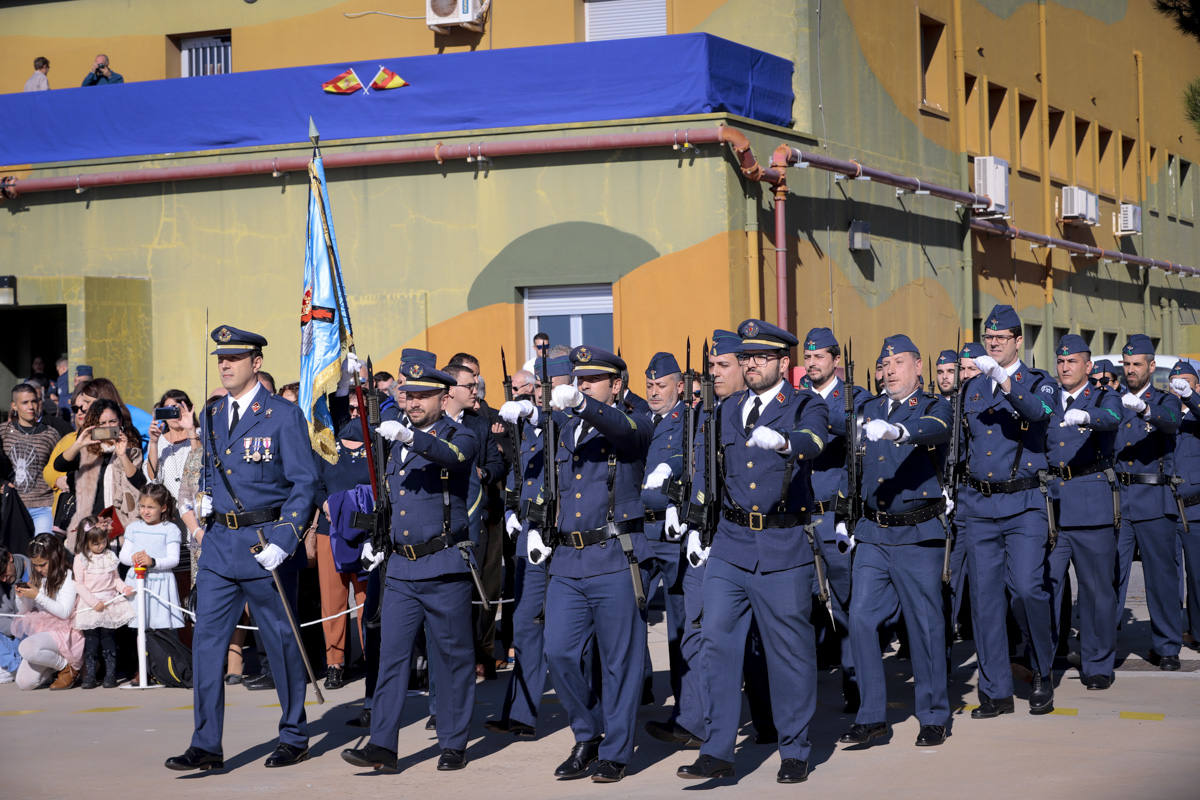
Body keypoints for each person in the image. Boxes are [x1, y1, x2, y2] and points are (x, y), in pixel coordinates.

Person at [678, 319, 828, 784]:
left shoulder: (802, 403)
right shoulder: (727, 408)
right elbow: (710, 469)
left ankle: (795, 749)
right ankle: (718, 748)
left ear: (784, 362)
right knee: (716, 643)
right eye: (745, 357)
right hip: (730, 544)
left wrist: (787, 442)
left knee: (790, 655)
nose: (751, 364)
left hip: (783, 546)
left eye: (759, 357)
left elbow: (817, 440)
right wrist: (696, 520)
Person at [165, 325, 319, 772]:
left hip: (263, 542)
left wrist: (285, 540)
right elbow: (212, 470)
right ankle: (206, 744)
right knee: (208, 646)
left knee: (281, 643)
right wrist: (205, 498)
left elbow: (304, 484)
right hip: (218, 547)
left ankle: (294, 734)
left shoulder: (282, 416)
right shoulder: (212, 417)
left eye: (235, 358)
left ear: (257, 363)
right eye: (221, 359)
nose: (225, 365)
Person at [340, 350, 480, 774]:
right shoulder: (391, 435)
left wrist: (409, 439)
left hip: (442, 564)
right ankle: (382, 744)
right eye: (408, 394)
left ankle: (454, 741)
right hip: (400, 568)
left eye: (424, 395)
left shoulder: (460, 434)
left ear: (443, 397)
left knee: (452, 657)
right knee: (391, 659)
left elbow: (453, 458)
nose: (414, 402)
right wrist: (378, 540)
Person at [533, 345, 651, 784]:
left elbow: (629, 436)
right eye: (578, 381)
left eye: (591, 381)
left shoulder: (635, 419)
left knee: (620, 660)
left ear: (615, 385)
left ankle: (615, 751)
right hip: (568, 557)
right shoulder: (566, 428)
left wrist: (584, 405)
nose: (581, 387)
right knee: (558, 651)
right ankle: (589, 731)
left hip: (614, 555)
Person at [840, 334, 952, 748]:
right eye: (884, 365)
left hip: (917, 531)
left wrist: (899, 430)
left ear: (918, 367)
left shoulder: (934, 406)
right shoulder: (867, 408)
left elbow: (937, 430)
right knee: (862, 619)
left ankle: (934, 714)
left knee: (924, 626)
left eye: (898, 363)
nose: (889, 372)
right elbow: (850, 460)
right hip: (873, 532)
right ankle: (871, 716)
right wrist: (840, 515)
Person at [959, 305, 1058, 717]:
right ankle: (995, 690)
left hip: (1024, 504)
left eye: (1001, 338)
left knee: (1027, 589)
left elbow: (1039, 415)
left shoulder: (1039, 382)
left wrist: (1005, 379)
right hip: (980, 504)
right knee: (984, 600)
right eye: (989, 338)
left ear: (1019, 341)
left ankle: (1041, 670)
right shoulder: (973, 388)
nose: (994, 344)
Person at [485, 355, 571, 738]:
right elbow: (519, 476)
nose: (541, 394)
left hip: (566, 538)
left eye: (549, 386)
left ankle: (588, 712)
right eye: (538, 386)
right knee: (524, 624)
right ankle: (523, 711)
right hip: (529, 536)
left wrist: (533, 415)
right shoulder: (530, 429)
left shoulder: (573, 420)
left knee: (568, 634)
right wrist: (511, 510)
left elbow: (560, 430)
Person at [1043, 334, 1122, 690]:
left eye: (1072, 361)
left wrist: (1087, 417)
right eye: (1060, 361)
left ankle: (1097, 663)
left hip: (1091, 506)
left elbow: (1112, 417)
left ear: (1087, 366)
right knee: (1043, 585)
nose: (1064, 367)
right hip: (1052, 507)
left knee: (1096, 592)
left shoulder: (1104, 397)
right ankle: (1047, 657)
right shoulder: (1046, 399)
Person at [797, 327, 865, 713]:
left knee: (846, 604)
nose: (812, 363)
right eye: (807, 357)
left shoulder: (853, 398)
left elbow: (856, 431)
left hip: (835, 516)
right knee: (795, 606)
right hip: (799, 517)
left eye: (819, 356)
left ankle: (855, 680)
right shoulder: (795, 399)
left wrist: (820, 419)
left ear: (836, 360)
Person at [1113, 334, 1183, 670]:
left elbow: (1172, 422)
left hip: (1154, 498)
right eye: (1126, 365)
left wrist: (1144, 409)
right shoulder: (1112, 399)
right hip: (1118, 501)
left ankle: (1167, 646)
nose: (1130, 370)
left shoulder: (1164, 400)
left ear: (1151, 367)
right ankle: (1104, 645)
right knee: (1110, 575)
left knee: (1161, 577)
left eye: (1136, 365)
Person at [637, 352, 689, 727]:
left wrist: (680, 504)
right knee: (627, 612)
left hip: (674, 532)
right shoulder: (639, 422)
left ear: (680, 386)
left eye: (662, 385)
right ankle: (638, 688)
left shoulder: (691, 421)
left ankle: (686, 707)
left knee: (681, 622)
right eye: (650, 385)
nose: (655, 392)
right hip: (639, 530)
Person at [313, 417, 371, 690]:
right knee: (332, 600)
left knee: (366, 599)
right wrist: (324, 503)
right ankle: (334, 662)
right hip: (330, 531)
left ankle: (373, 657)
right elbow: (313, 483)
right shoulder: (326, 447)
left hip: (366, 532)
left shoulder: (375, 446)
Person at [55, 398, 145, 549]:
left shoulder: (131, 449)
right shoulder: (86, 451)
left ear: (120, 421)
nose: (108, 427)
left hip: (121, 526)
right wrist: (79, 444)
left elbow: (139, 483)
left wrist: (122, 454)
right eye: (102, 424)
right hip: (91, 527)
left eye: (112, 422)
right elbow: (59, 465)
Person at [12, 533, 83, 690]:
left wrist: (37, 595)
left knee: (26, 647)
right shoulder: (37, 577)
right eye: (35, 565)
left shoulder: (68, 575)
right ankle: (55, 665)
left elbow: (64, 612)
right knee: (24, 683)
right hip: (44, 632)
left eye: (42, 564)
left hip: (66, 631)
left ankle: (67, 667)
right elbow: (25, 611)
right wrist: (22, 597)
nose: (38, 569)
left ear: (55, 557)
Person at [72, 516, 135, 689]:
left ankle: (110, 675)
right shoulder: (80, 558)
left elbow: (115, 580)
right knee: (91, 642)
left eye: (102, 542)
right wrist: (93, 602)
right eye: (95, 544)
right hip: (91, 603)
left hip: (110, 602)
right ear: (87, 543)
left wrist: (124, 589)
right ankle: (91, 675)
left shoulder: (110, 556)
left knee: (109, 641)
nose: (100, 546)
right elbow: (79, 584)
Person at [120, 484, 185, 631]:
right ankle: (141, 654)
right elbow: (123, 556)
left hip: (160, 584)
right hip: (136, 582)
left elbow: (174, 559)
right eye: (142, 506)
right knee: (138, 629)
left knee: (160, 629)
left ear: (163, 508)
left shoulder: (170, 529)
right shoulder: (133, 528)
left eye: (151, 507)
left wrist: (153, 562)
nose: (145, 511)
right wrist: (134, 558)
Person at [1168, 361, 1200, 647]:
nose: (1179, 387)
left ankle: (1198, 633)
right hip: (1165, 508)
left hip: (1195, 508)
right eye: (1175, 382)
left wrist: (1191, 397)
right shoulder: (1162, 417)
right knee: (1168, 576)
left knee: (1198, 576)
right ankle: (1170, 634)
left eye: (1186, 382)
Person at [2, 382, 62, 533]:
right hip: (12, 505)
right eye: (25, 402)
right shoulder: (3, 432)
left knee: (43, 550)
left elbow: (59, 466)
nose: (31, 406)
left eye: (34, 401)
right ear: (14, 406)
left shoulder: (50, 434)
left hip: (43, 506)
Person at [0, 544, 34, 683]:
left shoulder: (33, 571)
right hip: (12, 632)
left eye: (3, 572)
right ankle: (13, 666)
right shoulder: (3, 580)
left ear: (10, 557)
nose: (3, 579)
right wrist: (15, 628)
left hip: (32, 630)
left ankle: (13, 667)